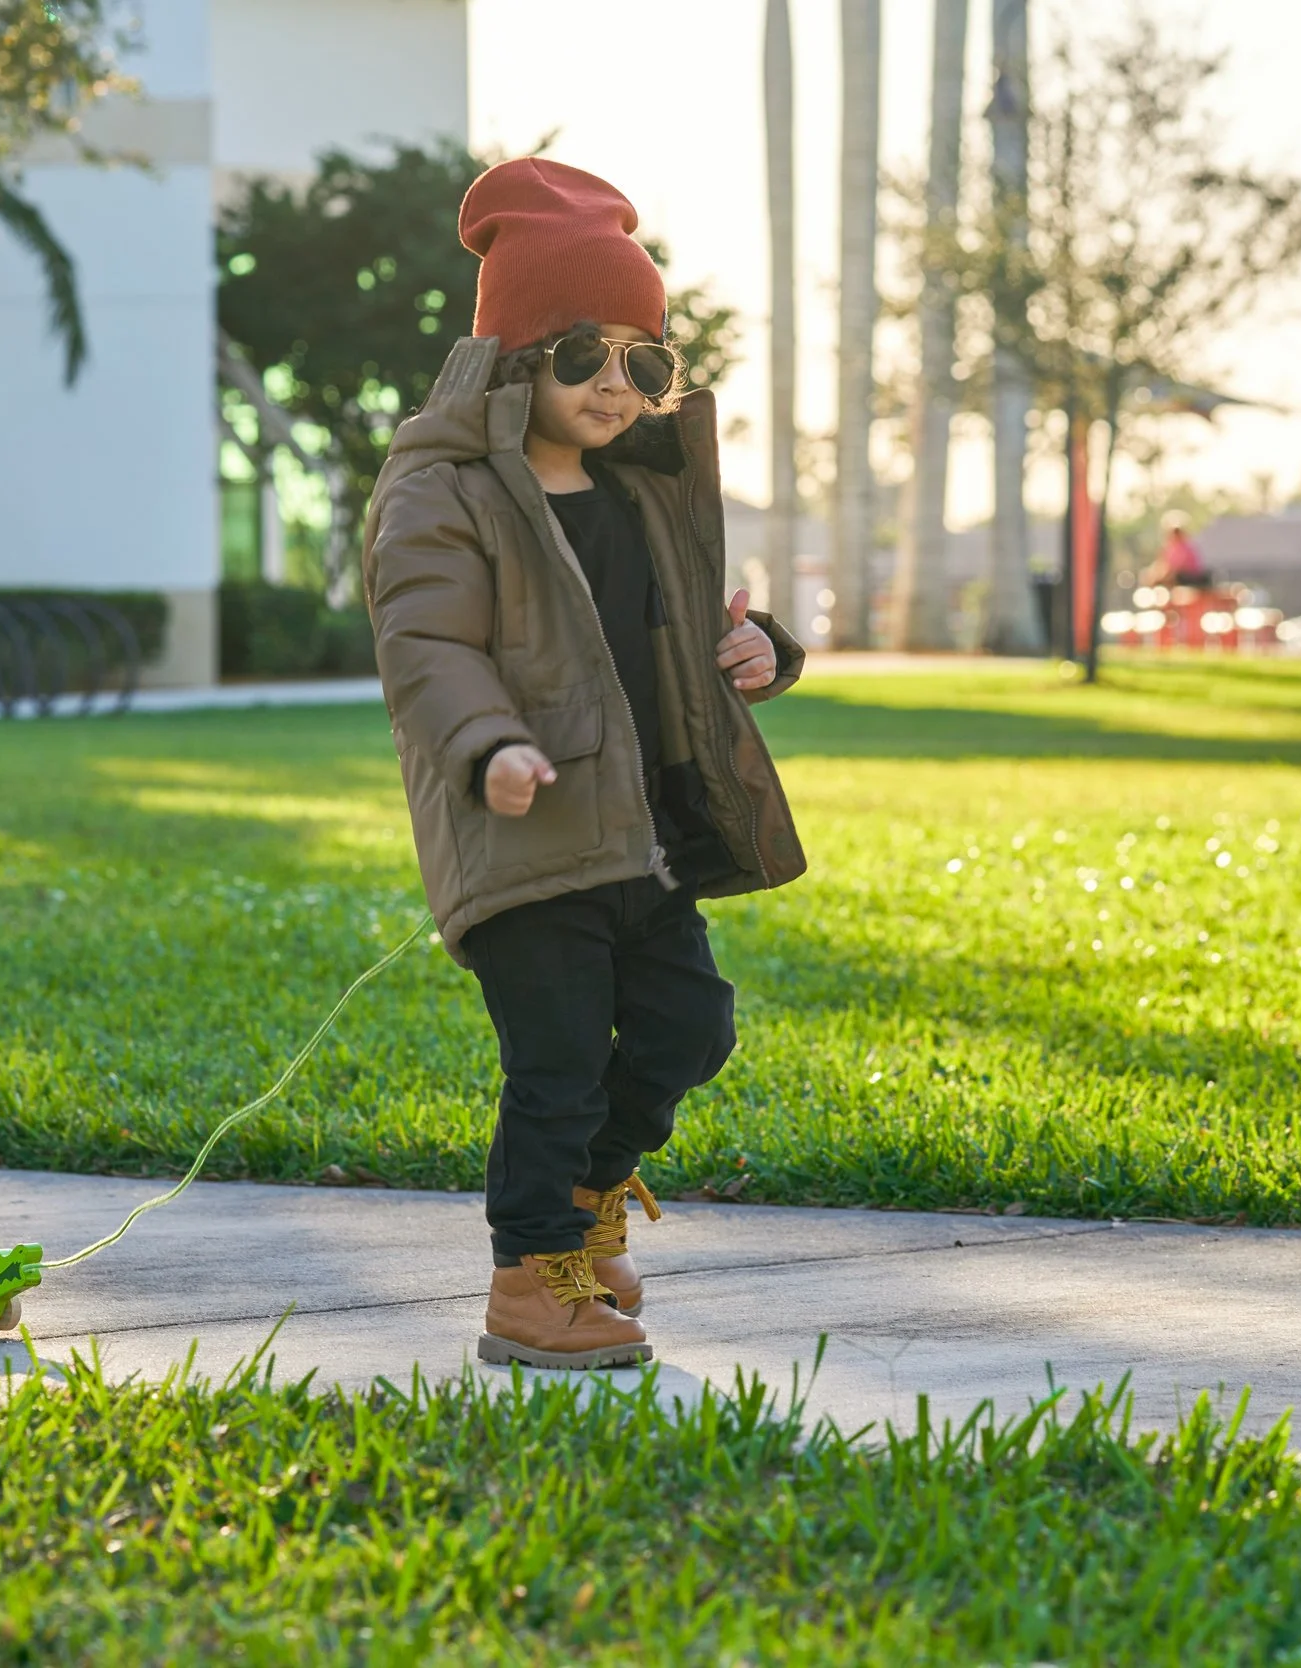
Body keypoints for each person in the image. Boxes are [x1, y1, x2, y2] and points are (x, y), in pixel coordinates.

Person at [361, 158, 808, 1370]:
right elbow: (427, 643)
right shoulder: (443, 493)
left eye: (643, 361)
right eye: (580, 355)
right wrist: (487, 742)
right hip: (523, 830)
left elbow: (700, 627)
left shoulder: (641, 492)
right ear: (515, 358)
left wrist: (763, 649)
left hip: (640, 833)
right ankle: (528, 1283)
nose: (616, 385)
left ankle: (590, 1204)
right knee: (555, 1065)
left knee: (689, 1030)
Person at [1143, 511, 1209, 589]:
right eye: (1174, 532)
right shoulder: (1168, 548)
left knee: (1171, 576)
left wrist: (1163, 575)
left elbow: (1177, 567)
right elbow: (1161, 564)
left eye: (1177, 532)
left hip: (1188, 577)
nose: (1175, 534)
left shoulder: (1186, 547)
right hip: (1176, 577)